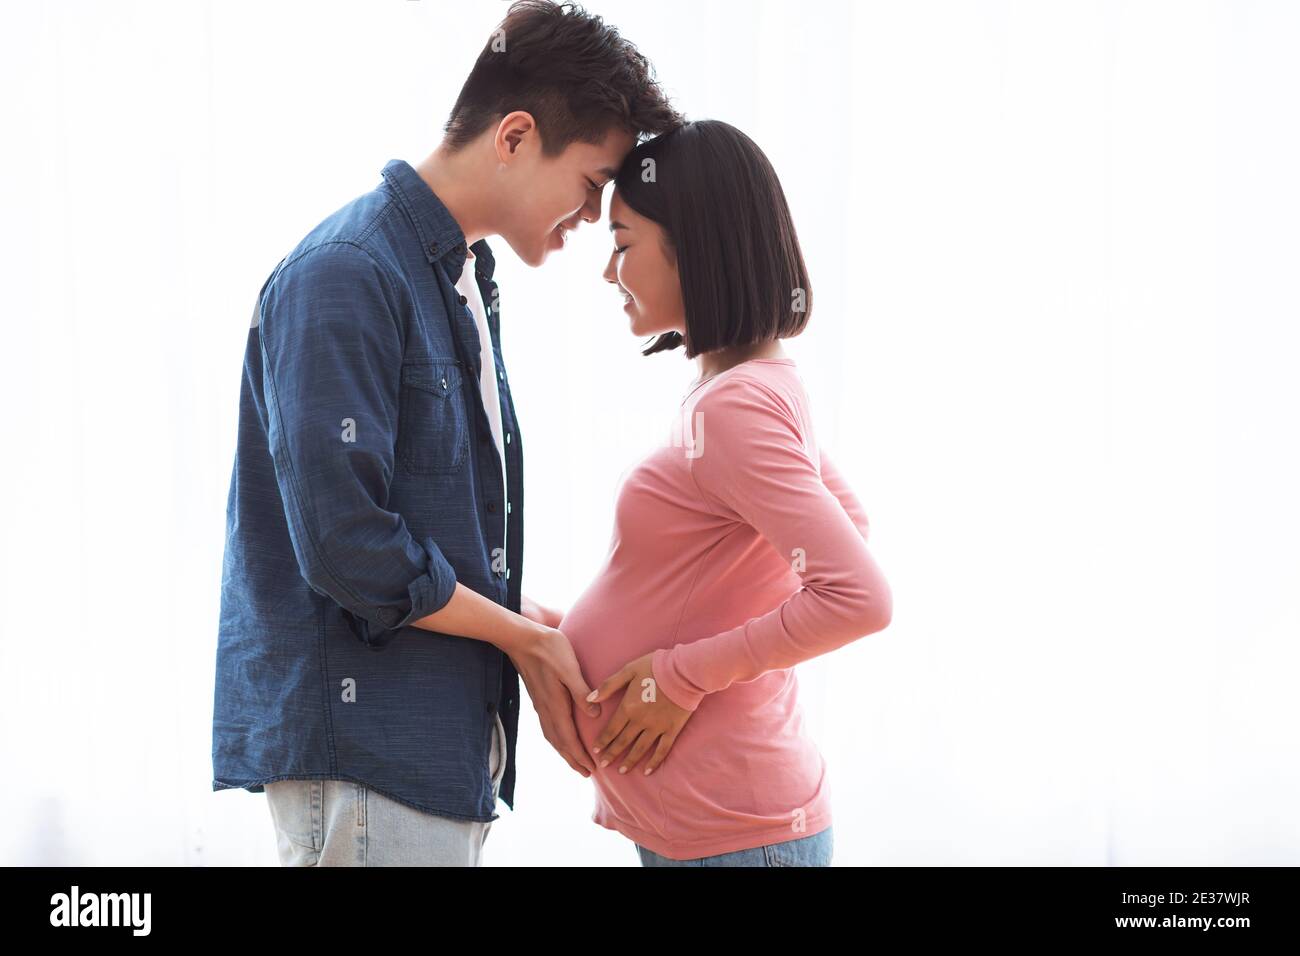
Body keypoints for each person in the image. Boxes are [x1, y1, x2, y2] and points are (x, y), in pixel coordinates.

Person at [212, 0, 682, 866]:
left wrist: (549, 628)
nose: (588, 221)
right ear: (513, 137)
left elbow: (439, 545)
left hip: (427, 762)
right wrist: (522, 638)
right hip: (368, 761)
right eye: (587, 187)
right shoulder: (347, 273)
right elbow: (348, 545)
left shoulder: (458, 279)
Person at [559, 120, 894, 866]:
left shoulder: (734, 407)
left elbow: (859, 595)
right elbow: (849, 526)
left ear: (696, 245)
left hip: (736, 834)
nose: (608, 272)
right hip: (719, 827)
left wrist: (683, 674)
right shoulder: (744, 389)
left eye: (621, 244)